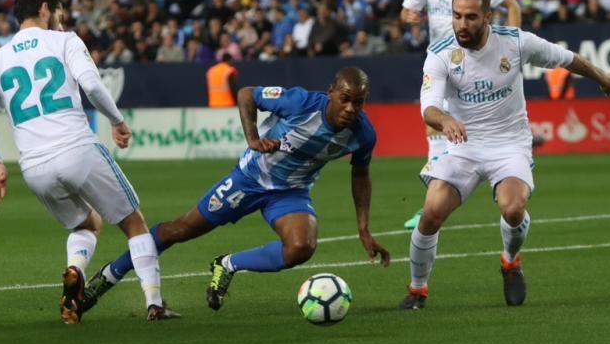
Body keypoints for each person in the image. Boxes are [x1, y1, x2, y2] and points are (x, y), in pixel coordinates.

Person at [80, 68, 391, 314]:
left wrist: (363, 228)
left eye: (359, 102)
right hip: (248, 180)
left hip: (290, 193)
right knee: (180, 230)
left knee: (301, 247)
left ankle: (227, 264)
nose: (351, 108)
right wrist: (253, 138)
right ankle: (108, 277)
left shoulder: (363, 135)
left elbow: (361, 174)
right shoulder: (301, 103)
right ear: (331, 93)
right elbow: (246, 94)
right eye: (346, 99)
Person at [400, 0, 610, 310]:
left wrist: (601, 77)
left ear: (487, 17)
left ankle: (510, 261)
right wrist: (445, 120)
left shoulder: (516, 42)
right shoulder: (441, 53)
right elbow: (428, 108)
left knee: (513, 209)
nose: (462, 24)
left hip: (509, 145)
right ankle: (417, 290)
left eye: (471, 17)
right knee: (431, 213)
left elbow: (567, 58)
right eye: (457, 16)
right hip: (463, 148)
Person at [0, 0, 177, 323]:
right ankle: (154, 303)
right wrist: (117, 120)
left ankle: (75, 269)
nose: (60, 19)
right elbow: (93, 85)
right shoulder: (65, 40)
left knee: (87, 224)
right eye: (58, 13)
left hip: (34, 167)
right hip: (77, 149)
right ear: (44, 9)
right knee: (134, 224)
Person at [399, 0, 522, 228]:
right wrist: (409, 17)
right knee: (433, 125)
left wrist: (515, 47)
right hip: (440, 61)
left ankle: (500, 179)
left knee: (465, 127)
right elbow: (406, 11)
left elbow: (512, 6)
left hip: (476, 61)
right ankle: (433, 202)